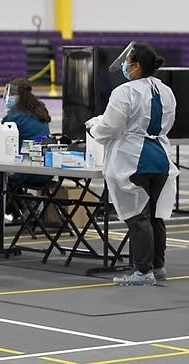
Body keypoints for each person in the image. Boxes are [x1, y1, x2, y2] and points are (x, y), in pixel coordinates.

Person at [85, 41, 178, 286]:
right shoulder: (165, 90)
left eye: (127, 63)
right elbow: (167, 123)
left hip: (133, 159)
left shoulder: (124, 91)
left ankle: (142, 271)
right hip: (160, 157)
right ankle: (158, 267)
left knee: (138, 217)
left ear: (136, 66)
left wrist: (95, 127)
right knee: (156, 216)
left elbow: (110, 127)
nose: (125, 67)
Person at [2, 78, 52, 186]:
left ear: (18, 96)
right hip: (47, 171)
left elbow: (1, 145)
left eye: (10, 95)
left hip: (26, 173)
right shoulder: (39, 111)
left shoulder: (13, 117)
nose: (8, 98)